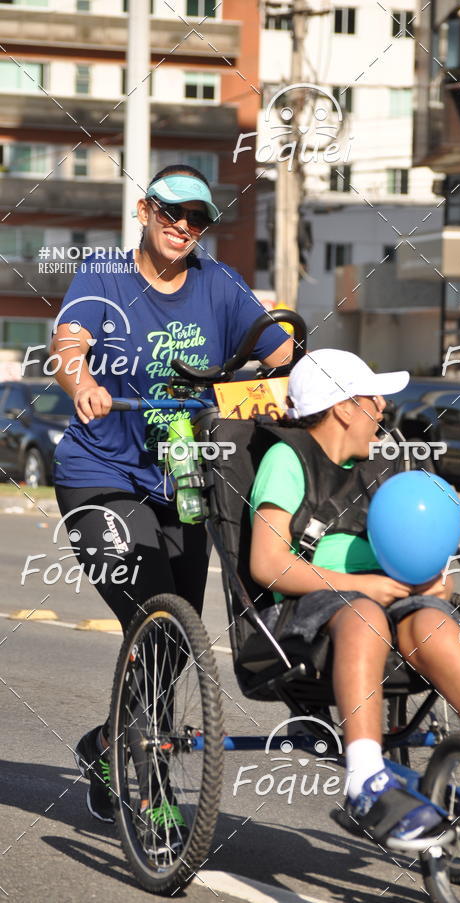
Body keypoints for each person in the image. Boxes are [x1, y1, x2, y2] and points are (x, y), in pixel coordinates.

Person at [249, 348, 460, 851]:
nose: (383, 409)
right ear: (343, 407)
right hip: (307, 611)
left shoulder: (380, 465)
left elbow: (410, 540)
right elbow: (267, 564)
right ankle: (366, 781)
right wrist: (359, 586)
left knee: (434, 621)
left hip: (387, 598)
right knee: (365, 614)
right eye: (373, 399)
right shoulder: (287, 460)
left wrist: (431, 579)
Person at [51, 163, 293, 829]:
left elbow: (280, 352)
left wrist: (290, 378)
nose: (184, 226)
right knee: (154, 615)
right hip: (101, 476)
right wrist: (83, 383)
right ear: (144, 210)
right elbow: (69, 342)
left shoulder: (219, 283)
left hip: (185, 479)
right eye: (171, 212)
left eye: (198, 218)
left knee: (176, 635)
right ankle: (153, 792)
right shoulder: (105, 274)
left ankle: (106, 746)